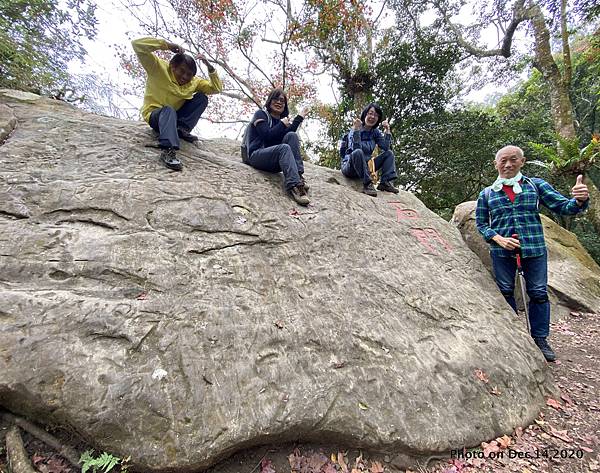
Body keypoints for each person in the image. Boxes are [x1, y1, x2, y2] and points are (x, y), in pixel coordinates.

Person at [476, 145, 590, 362]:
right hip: (502, 253)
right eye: (503, 161)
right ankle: (513, 338)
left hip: (534, 249)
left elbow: (564, 207)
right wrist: (498, 238)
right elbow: (481, 224)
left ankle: (540, 339)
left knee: (538, 292)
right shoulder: (487, 193)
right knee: (505, 291)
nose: (508, 164)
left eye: (513, 160)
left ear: (522, 161)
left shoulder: (535, 186)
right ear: (496, 164)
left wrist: (580, 200)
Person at [132, 37, 223, 171]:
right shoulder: (157, 67)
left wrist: (210, 68)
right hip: (156, 116)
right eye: (182, 71)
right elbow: (137, 45)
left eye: (189, 75)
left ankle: (181, 129)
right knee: (168, 110)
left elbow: (216, 88)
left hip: (175, 118)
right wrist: (167, 45)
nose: (185, 77)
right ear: (172, 66)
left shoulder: (194, 82)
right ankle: (168, 150)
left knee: (201, 98)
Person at [244, 88, 310, 205]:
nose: (279, 102)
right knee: (284, 148)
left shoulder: (282, 122)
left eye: (282, 101)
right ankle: (294, 185)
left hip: (273, 161)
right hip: (256, 156)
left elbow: (288, 135)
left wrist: (299, 117)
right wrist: (282, 124)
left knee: (292, 135)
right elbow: (267, 136)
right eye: (276, 99)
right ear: (269, 101)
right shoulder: (260, 114)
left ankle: (298, 176)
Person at [341, 103, 399, 197]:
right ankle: (367, 184)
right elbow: (355, 149)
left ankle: (385, 183)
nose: (372, 117)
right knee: (358, 152)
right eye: (370, 113)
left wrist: (387, 131)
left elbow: (385, 147)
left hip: (366, 166)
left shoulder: (375, 132)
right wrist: (356, 130)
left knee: (389, 154)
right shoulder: (355, 129)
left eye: (376, 115)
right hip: (351, 166)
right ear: (365, 114)